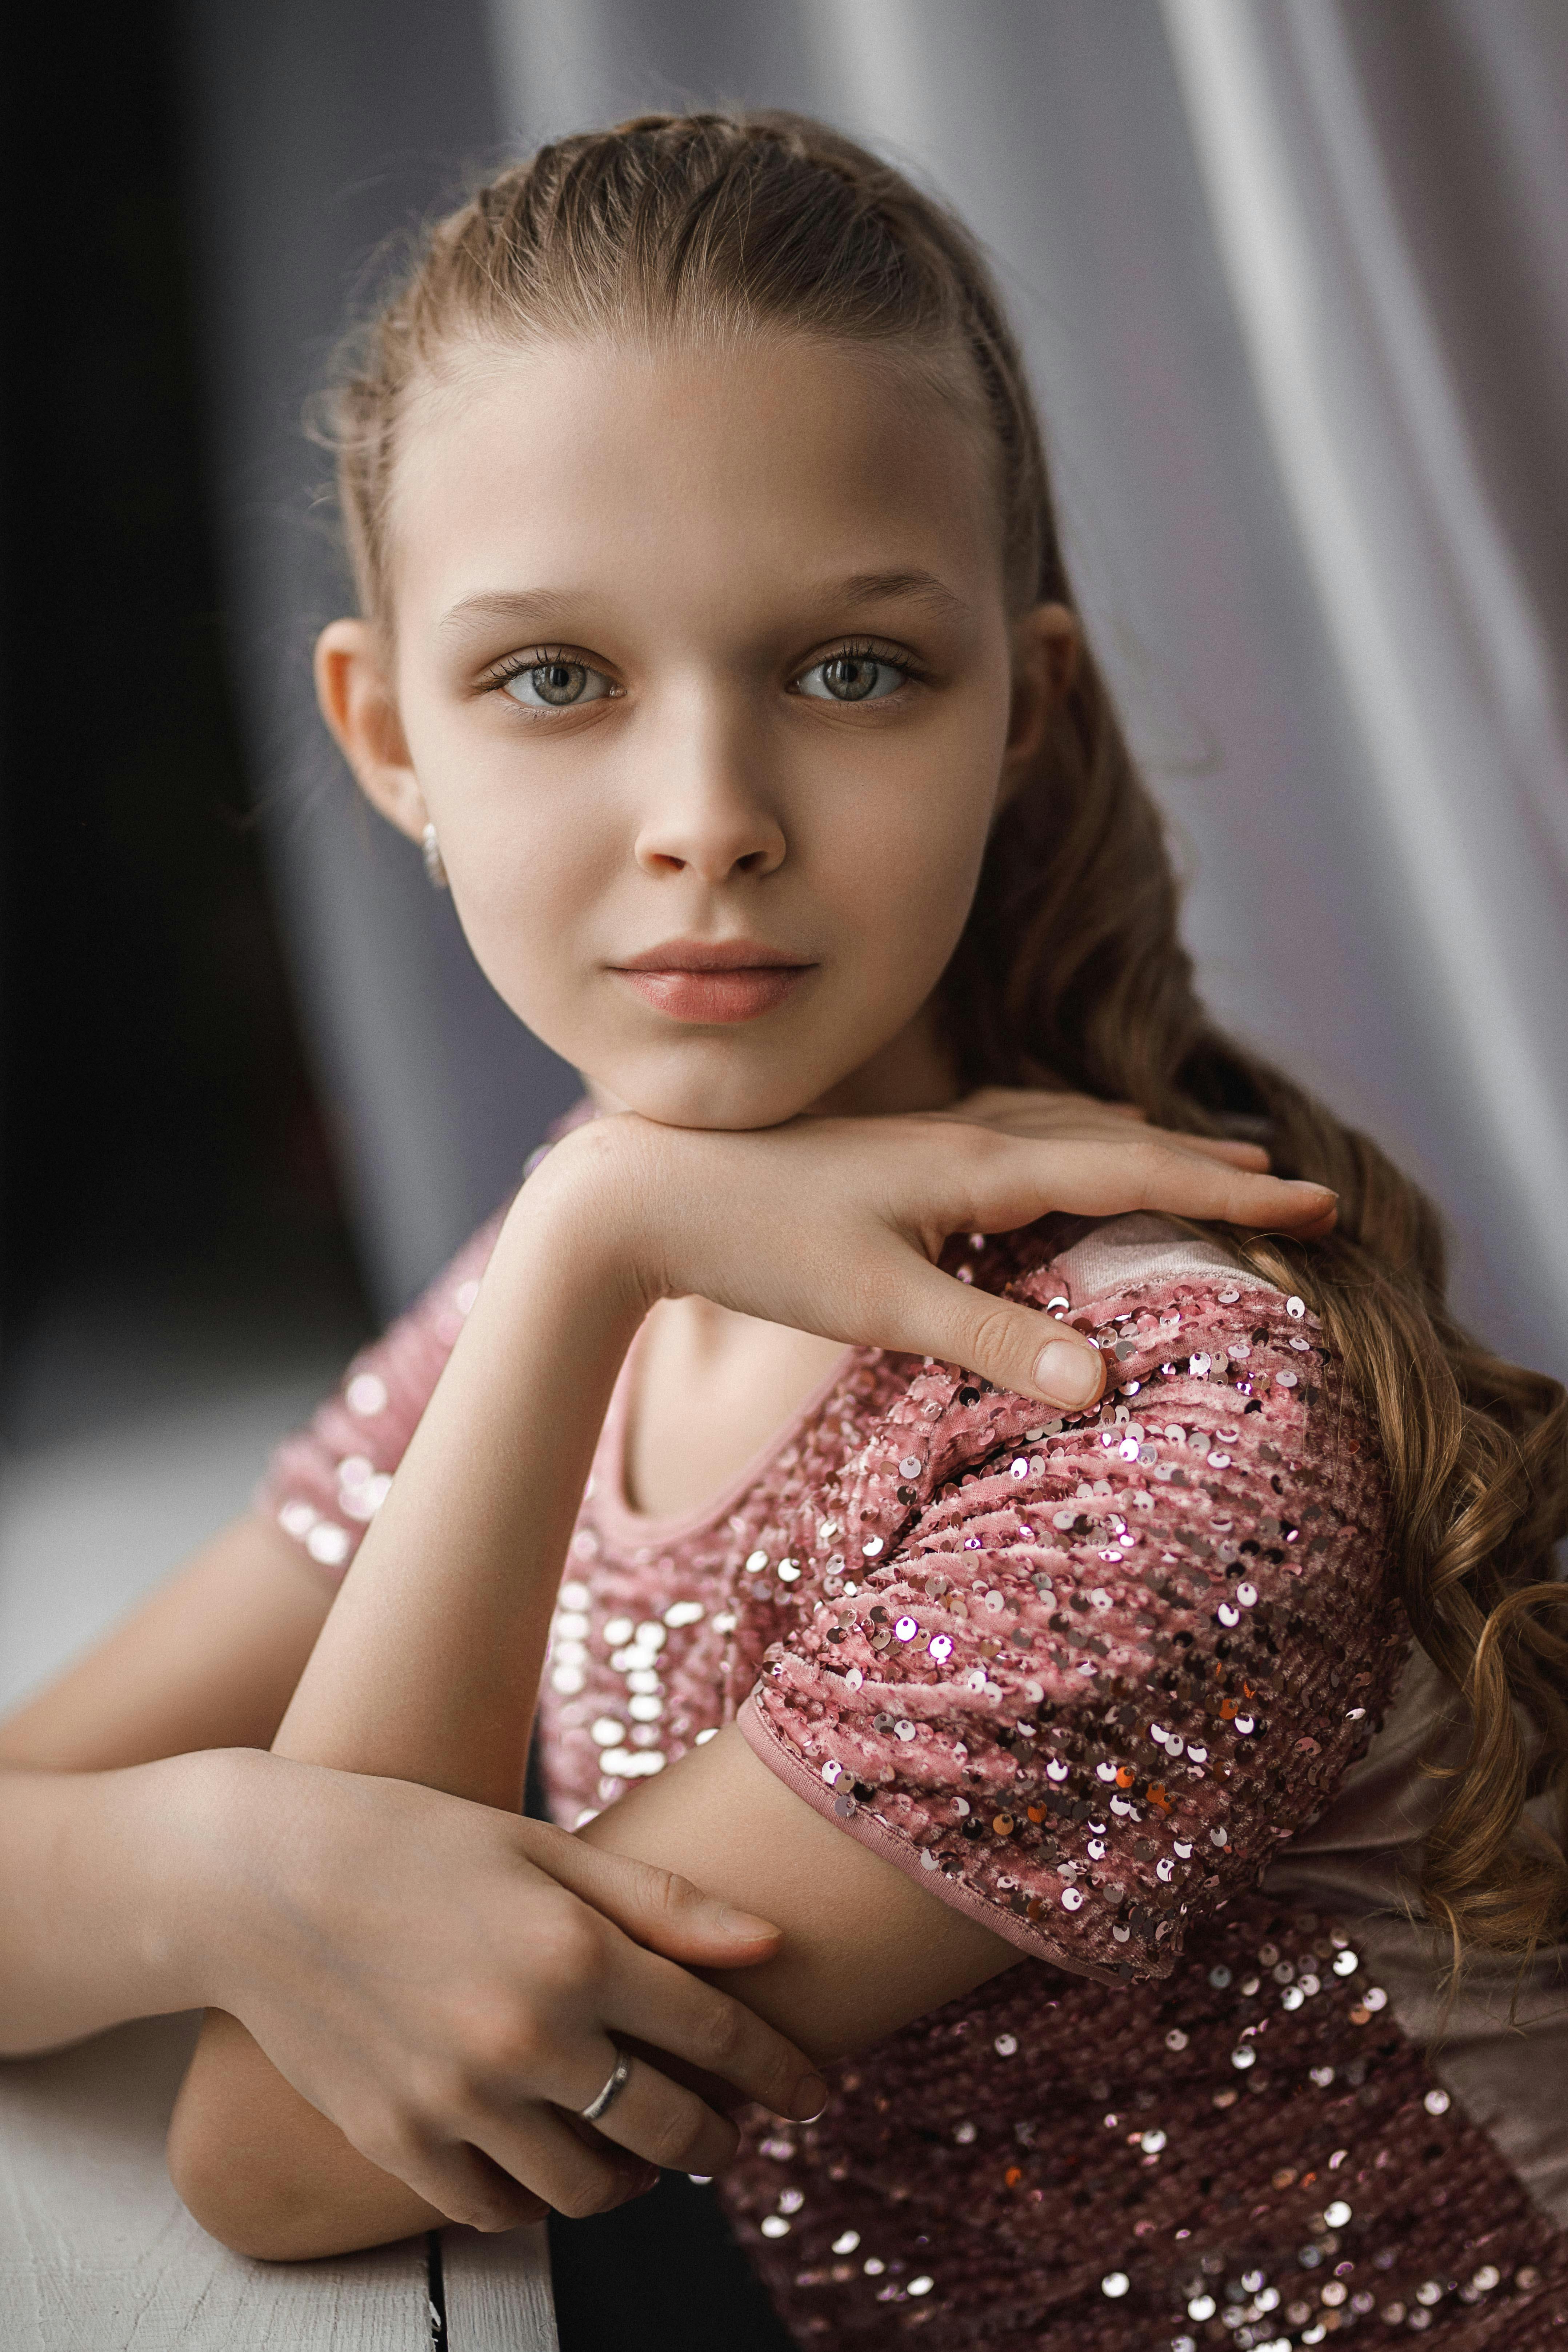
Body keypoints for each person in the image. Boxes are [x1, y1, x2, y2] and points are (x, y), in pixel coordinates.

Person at [2, 110, 1563, 2351]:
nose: (707, 824)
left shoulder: (1153, 1436)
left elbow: (289, 2146)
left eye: (850, 671)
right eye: (556, 678)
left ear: (1019, 708)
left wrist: (581, 1239)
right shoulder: (596, 1263)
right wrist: (210, 1863)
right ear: (387, 734)